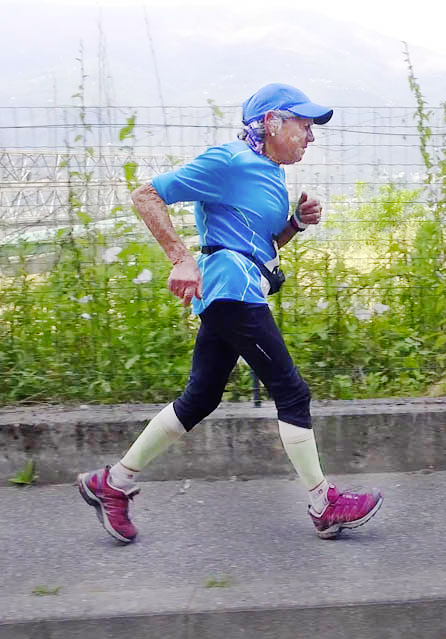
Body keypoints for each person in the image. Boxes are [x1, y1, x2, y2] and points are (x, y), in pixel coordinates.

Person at [77, 83, 383, 544]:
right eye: (304, 124)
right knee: (291, 391)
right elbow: (146, 196)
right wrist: (180, 258)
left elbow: (260, 245)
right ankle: (325, 504)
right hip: (231, 290)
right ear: (272, 123)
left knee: (201, 397)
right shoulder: (228, 160)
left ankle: (112, 484)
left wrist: (295, 224)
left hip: (239, 288)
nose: (311, 136)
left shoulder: (269, 173)